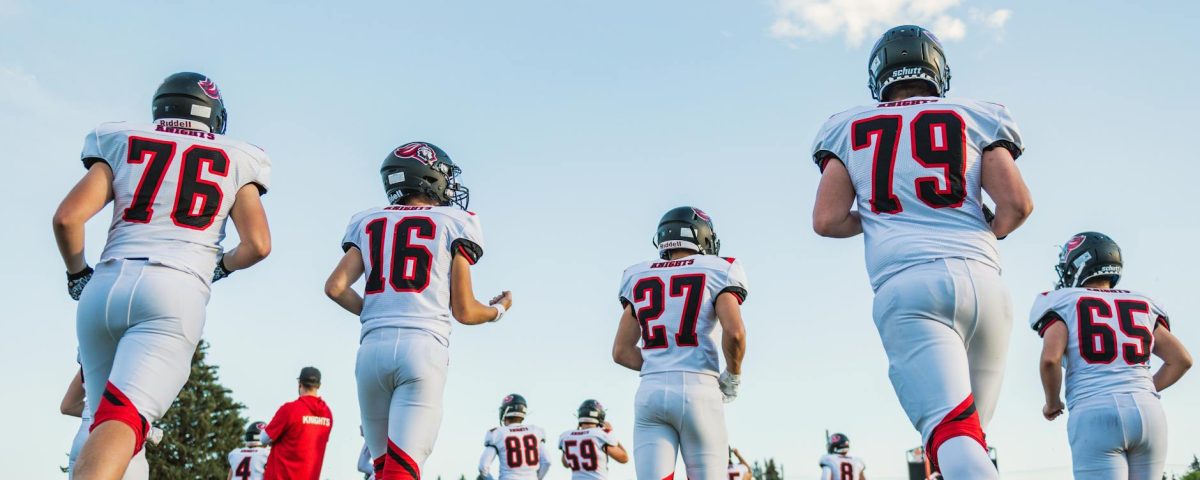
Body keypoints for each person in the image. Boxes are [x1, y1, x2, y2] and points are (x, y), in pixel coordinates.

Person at [809, 24, 1033, 479]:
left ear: (878, 74)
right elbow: (1017, 205)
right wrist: (988, 229)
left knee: (954, 438)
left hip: (910, 286)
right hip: (985, 283)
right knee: (968, 442)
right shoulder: (977, 115)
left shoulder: (846, 126)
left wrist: (877, 216)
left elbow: (827, 220)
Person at [56, 71, 272, 480]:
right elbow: (258, 245)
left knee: (105, 425)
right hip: (173, 289)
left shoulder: (121, 141)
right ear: (213, 115)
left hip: (102, 289)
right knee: (123, 420)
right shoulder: (238, 157)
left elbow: (67, 219)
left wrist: (77, 274)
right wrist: (222, 266)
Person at [325, 141, 511, 480]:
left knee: (383, 470)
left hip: (371, 351)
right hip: (423, 349)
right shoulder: (456, 220)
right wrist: (498, 310)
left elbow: (335, 287)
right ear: (428, 177)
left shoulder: (367, 220)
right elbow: (465, 310)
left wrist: (378, 312)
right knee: (403, 472)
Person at [1032, 232, 1192, 480]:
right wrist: (1141, 389)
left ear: (1078, 265)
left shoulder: (1062, 301)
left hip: (1094, 408)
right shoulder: (1141, 302)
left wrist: (1052, 403)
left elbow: (1050, 359)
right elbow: (1181, 360)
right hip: (1148, 412)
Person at [612, 206, 749, 480]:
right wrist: (733, 376)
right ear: (702, 235)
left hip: (650, 393)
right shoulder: (720, 269)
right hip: (700, 389)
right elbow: (735, 333)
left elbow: (621, 352)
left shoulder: (637, 275)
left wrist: (662, 362)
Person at [62, 366, 154, 479]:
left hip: (83, 440)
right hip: (119, 436)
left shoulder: (90, 360)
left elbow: (67, 407)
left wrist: (95, 412)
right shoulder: (139, 362)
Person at [260, 367, 333, 480]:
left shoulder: (289, 410)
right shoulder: (327, 414)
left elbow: (264, 439)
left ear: (300, 383)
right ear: (319, 385)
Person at [478, 394, 551, 480]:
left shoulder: (497, 433)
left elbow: (483, 466)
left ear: (506, 411)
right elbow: (547, 461)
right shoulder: (536, 431)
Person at [557, 399, 629, 480]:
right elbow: (624, 458)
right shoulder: (600, 434)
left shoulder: (566, 436)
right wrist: (610, 433)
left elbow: (566, 464)